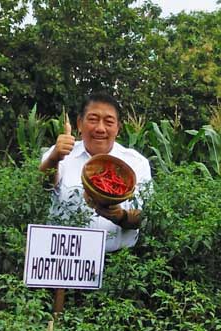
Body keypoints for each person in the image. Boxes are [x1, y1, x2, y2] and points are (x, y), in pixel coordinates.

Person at [39, 92, 152, 252]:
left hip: (117, 262)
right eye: (93, 119)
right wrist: (54, 158)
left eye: (108, 122)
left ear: (118, 128)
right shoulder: (59, 154)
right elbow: (43, 186)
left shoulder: (136, 163)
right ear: (79, 123)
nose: (100, 128)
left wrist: (119, 216)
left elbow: (145, 217)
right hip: (64, 261)